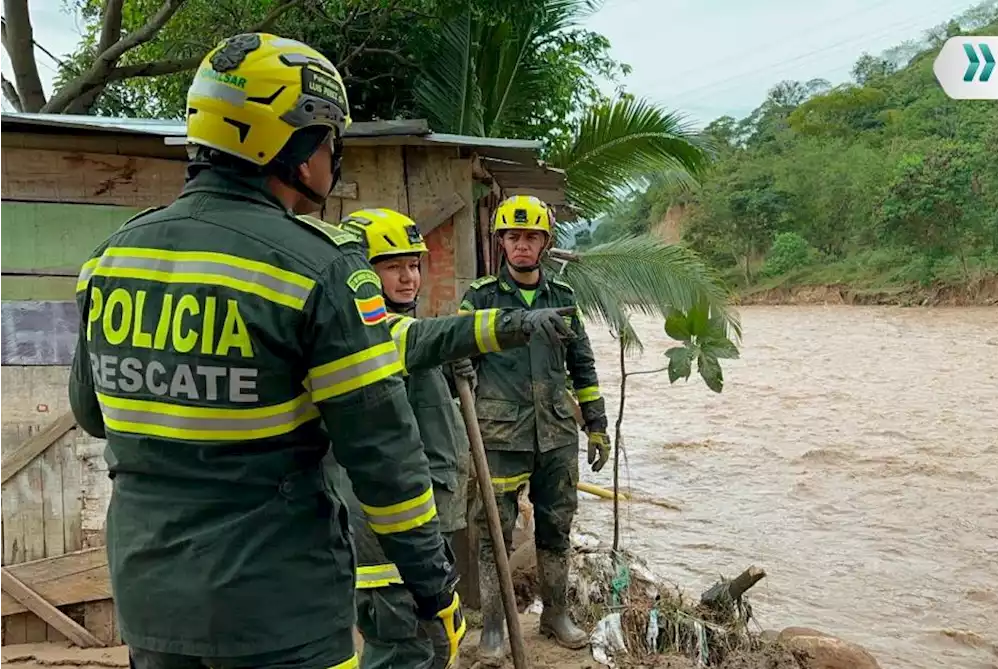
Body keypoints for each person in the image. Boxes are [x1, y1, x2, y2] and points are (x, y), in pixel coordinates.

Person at [67, 33, 456, 669]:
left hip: (152, 602)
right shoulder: (321, 271)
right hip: (280, 610)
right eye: (331, 139)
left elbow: (93, 412)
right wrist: (434, 585)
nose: (334, 158)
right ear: (296, 149)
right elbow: (383, 455)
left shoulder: (114, 257)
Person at [330, 207, 575, 669]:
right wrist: (512, 325)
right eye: (391, 267)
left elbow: (425, 349)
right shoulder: (363, 333)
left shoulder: (401, 325)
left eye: (413, 266)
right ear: (362, 274)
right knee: (407, 640)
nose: (408, 278)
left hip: (422, 511)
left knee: (435, 636)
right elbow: (424, 338)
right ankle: (496, 631)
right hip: (385, 526)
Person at [457, 195, 612, 666]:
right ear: (501, 242)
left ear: (545, 243)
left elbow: (582, 365)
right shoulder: (480, 298)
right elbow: (456, 354)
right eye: (513, 237)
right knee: (494, 533)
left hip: (557, 433)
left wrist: (598, 426)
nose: (521, 245)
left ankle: (556, 615)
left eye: (530, 237)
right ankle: (494, 628)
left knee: (556, 526)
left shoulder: (563, 298)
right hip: (499, 436)